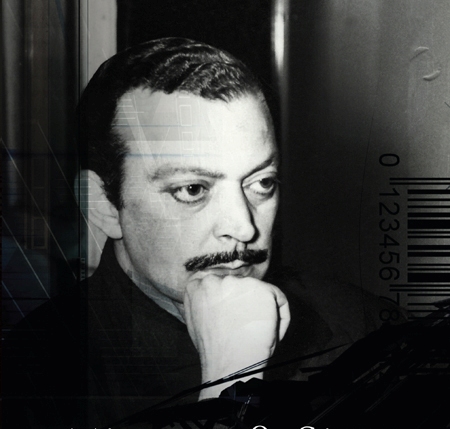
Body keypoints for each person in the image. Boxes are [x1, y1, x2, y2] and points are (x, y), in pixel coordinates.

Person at [2, 38, 400, 429]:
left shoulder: (367, 331)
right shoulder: (30, 381)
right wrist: (231, 381)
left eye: (261, 183)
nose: (243, 226)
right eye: (193, 190)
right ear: (104, 205)